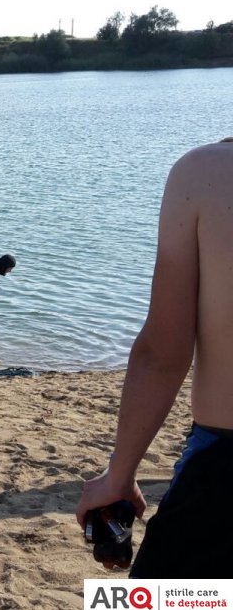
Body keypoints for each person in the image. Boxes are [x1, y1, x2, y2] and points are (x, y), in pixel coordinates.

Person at [77, 138, 233, 578]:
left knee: (151, 604)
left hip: (223, 468)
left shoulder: (205, 173)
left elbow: (164, 351)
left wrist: (118, 475)